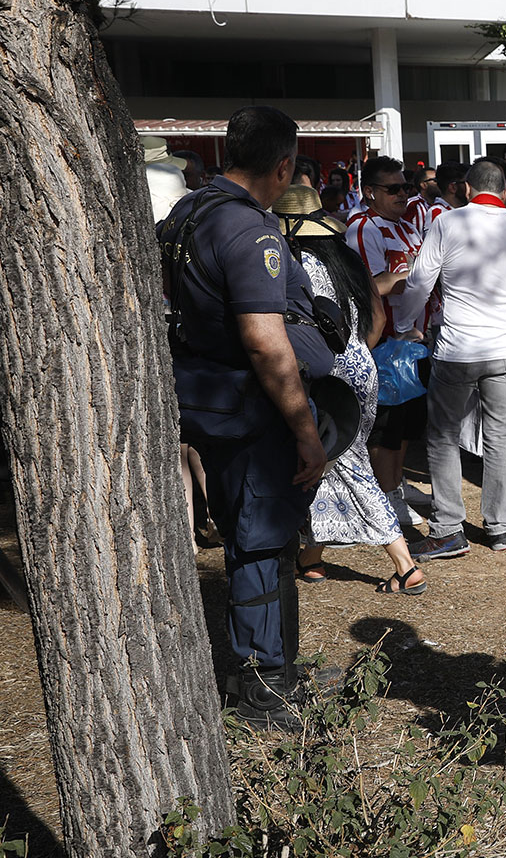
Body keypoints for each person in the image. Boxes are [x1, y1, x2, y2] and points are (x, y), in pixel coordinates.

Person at [159, 106, 335, 728]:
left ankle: (274, 668)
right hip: (251, 409)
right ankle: (263, 689)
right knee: (259, 542)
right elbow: (265, 342)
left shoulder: (190, 210)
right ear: (284, 166)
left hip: (211, 400)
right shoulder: (250, 231)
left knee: (260, 537)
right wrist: (307, 433)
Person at [273, 185, 425, 595]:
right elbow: (377, 318)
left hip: (325, 375)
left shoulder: (294, 265)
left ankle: (405, 565)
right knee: (331, 461)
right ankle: (311, 557)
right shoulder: (347, 260)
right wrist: (355, 352)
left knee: (348, 464)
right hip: (360, 365)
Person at [408, 157, 506, 559]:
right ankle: (500, 527)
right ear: (505, 191)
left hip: (457, 349)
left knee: (444, 437)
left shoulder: (447, 222)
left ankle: (448, 528)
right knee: (501, 435)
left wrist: (407, 324)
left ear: (467, 188)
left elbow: (420, 281)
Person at [345, 156, 431, 524]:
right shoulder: (364, 228)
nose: (403, 195)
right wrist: (412, 278)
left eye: (406, 187)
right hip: (384, 344)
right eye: (393, 189)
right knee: (387, 428)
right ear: (369, 192)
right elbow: (368, 287)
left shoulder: (408, 227)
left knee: (407, 424)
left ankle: (396, 484)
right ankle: (386, 497)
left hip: (413, 342)